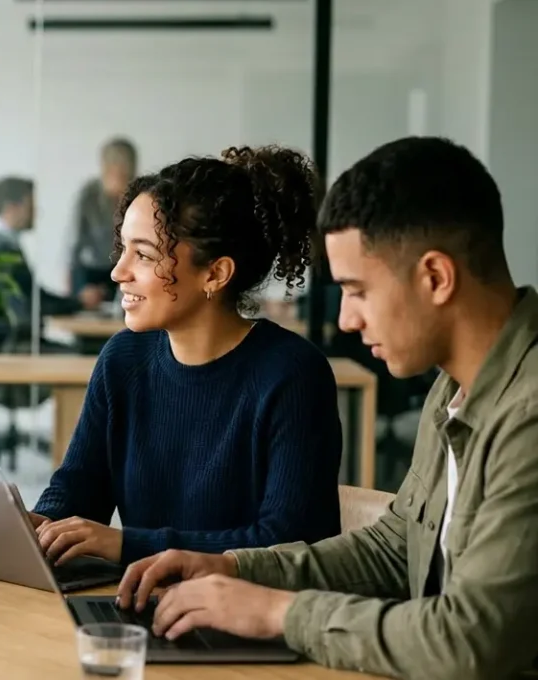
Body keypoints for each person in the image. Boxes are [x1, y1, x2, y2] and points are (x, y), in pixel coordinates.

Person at [117, 136, 538, 679]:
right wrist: (231, 568)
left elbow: (468, 640)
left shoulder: (527, 414)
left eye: (357, 290)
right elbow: (395, 550)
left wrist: (278, 611)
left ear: (435, 277)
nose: (346, 320)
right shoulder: (457, 387)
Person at [29, 145, 343, 567]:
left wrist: (127, 545)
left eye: (143, 254)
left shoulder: (292, 374)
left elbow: (286, 542)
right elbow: (79, 488)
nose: (118, 272)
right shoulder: (123, 358)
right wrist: (37, 525)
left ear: (215, 274)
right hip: (140, 603)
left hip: (243, 621)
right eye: (122, 249)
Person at [0, 176, 82, 350]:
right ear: (11, 208)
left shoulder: (1, 244)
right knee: (83, 355)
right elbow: (28, 304)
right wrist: (77, 303)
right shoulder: (0, 250)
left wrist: (77, 302)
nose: (36, 212)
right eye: (30, 206)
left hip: (16, 341)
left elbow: (33, 295)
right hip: (13, 346)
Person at [69, 137, 137, 308]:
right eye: (115, 165)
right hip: (93, 272)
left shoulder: (139, 193)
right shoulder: (90, 194)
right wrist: (75, 289)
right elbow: (75, 243)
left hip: (128, 269)